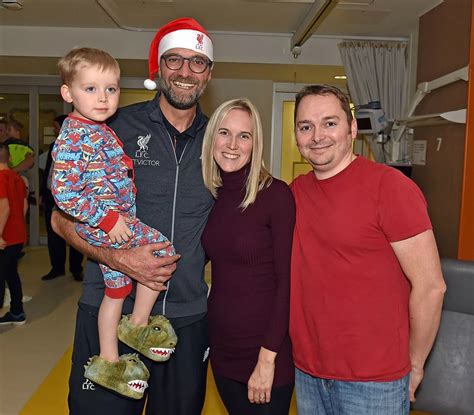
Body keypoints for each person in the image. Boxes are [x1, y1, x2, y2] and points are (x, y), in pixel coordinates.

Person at [51, 17, 214, 414]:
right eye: (174, 60)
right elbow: (60, 218)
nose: (185, 72)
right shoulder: (111, 125)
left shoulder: (219, 141)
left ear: (209, 73)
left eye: (198, 62)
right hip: (108, 303)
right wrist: (118, 257)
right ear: (157, 68)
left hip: (182, 320)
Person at [289, 84, 447, 415]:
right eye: (306, 126)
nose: (318, 135)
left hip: (375, 381)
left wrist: (415, 365)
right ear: (297, 135)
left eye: (329, 123)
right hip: (308, 372)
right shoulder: (294, 193)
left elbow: (431, 287)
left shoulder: (390, 188)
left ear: (351, 127)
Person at [52, 47, 180, 398]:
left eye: (111, 89)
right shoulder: (76, 135)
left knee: (116, 291)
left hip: (113, 222)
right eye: (91, 89)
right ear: (68, 93)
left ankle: (109, 359)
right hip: (109, 224)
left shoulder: (97, 128)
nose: (104, 97)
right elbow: (62, 192)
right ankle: (137, 324)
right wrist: (107, 220)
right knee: (163, 251)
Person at [201, 98, 295, 415]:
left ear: (256, 144)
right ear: (211, 137)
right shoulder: (212, 197)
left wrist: (267, 359)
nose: (232, 145)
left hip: (265, 350)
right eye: (224, 133)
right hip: (223, 346)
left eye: (244, 136)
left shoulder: (276, 195)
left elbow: (287, 283)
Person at [40, 114, 84, 281]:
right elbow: (48, 170)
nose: (54, 130)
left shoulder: (78, 145)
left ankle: (76, 269)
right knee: (53, 234)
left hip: (71, 198)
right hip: (51, 195)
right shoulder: (54, 145)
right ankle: (57, 268)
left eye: (56, 127)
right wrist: (44, 193)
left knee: (75, 233)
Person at [0, 143, 28, 325]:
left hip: (5, 237)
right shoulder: (17, 178)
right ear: (9, 158)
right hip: (17, 235)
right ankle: (17, 312)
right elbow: (24, 205)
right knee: (11, 273)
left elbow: (4, 206)